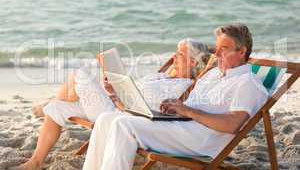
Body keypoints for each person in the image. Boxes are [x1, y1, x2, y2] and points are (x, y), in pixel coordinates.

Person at [82, 23, 269, 170]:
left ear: (242, 51)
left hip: (200, 139)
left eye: (224, 48)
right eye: (217, 48)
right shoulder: (214, 74)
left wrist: (187, 110)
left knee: (123, 125)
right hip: (182, 125)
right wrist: (176, 106)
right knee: (107, 118)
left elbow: (232, 124)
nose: (217, 54)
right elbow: (194, 105)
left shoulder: (248, 82)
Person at [17, 38, 213, 170]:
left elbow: (149, 110)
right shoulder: (161, 76)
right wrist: (114, 90)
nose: (174, 57)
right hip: (115, 104)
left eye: (180, 55)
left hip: (120, 115)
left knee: (80, 74)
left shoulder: (184, 86)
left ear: (194, 63)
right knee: (58, 108)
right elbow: (134, 92)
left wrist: (119, 101)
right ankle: (35, 161)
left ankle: (46, 104)